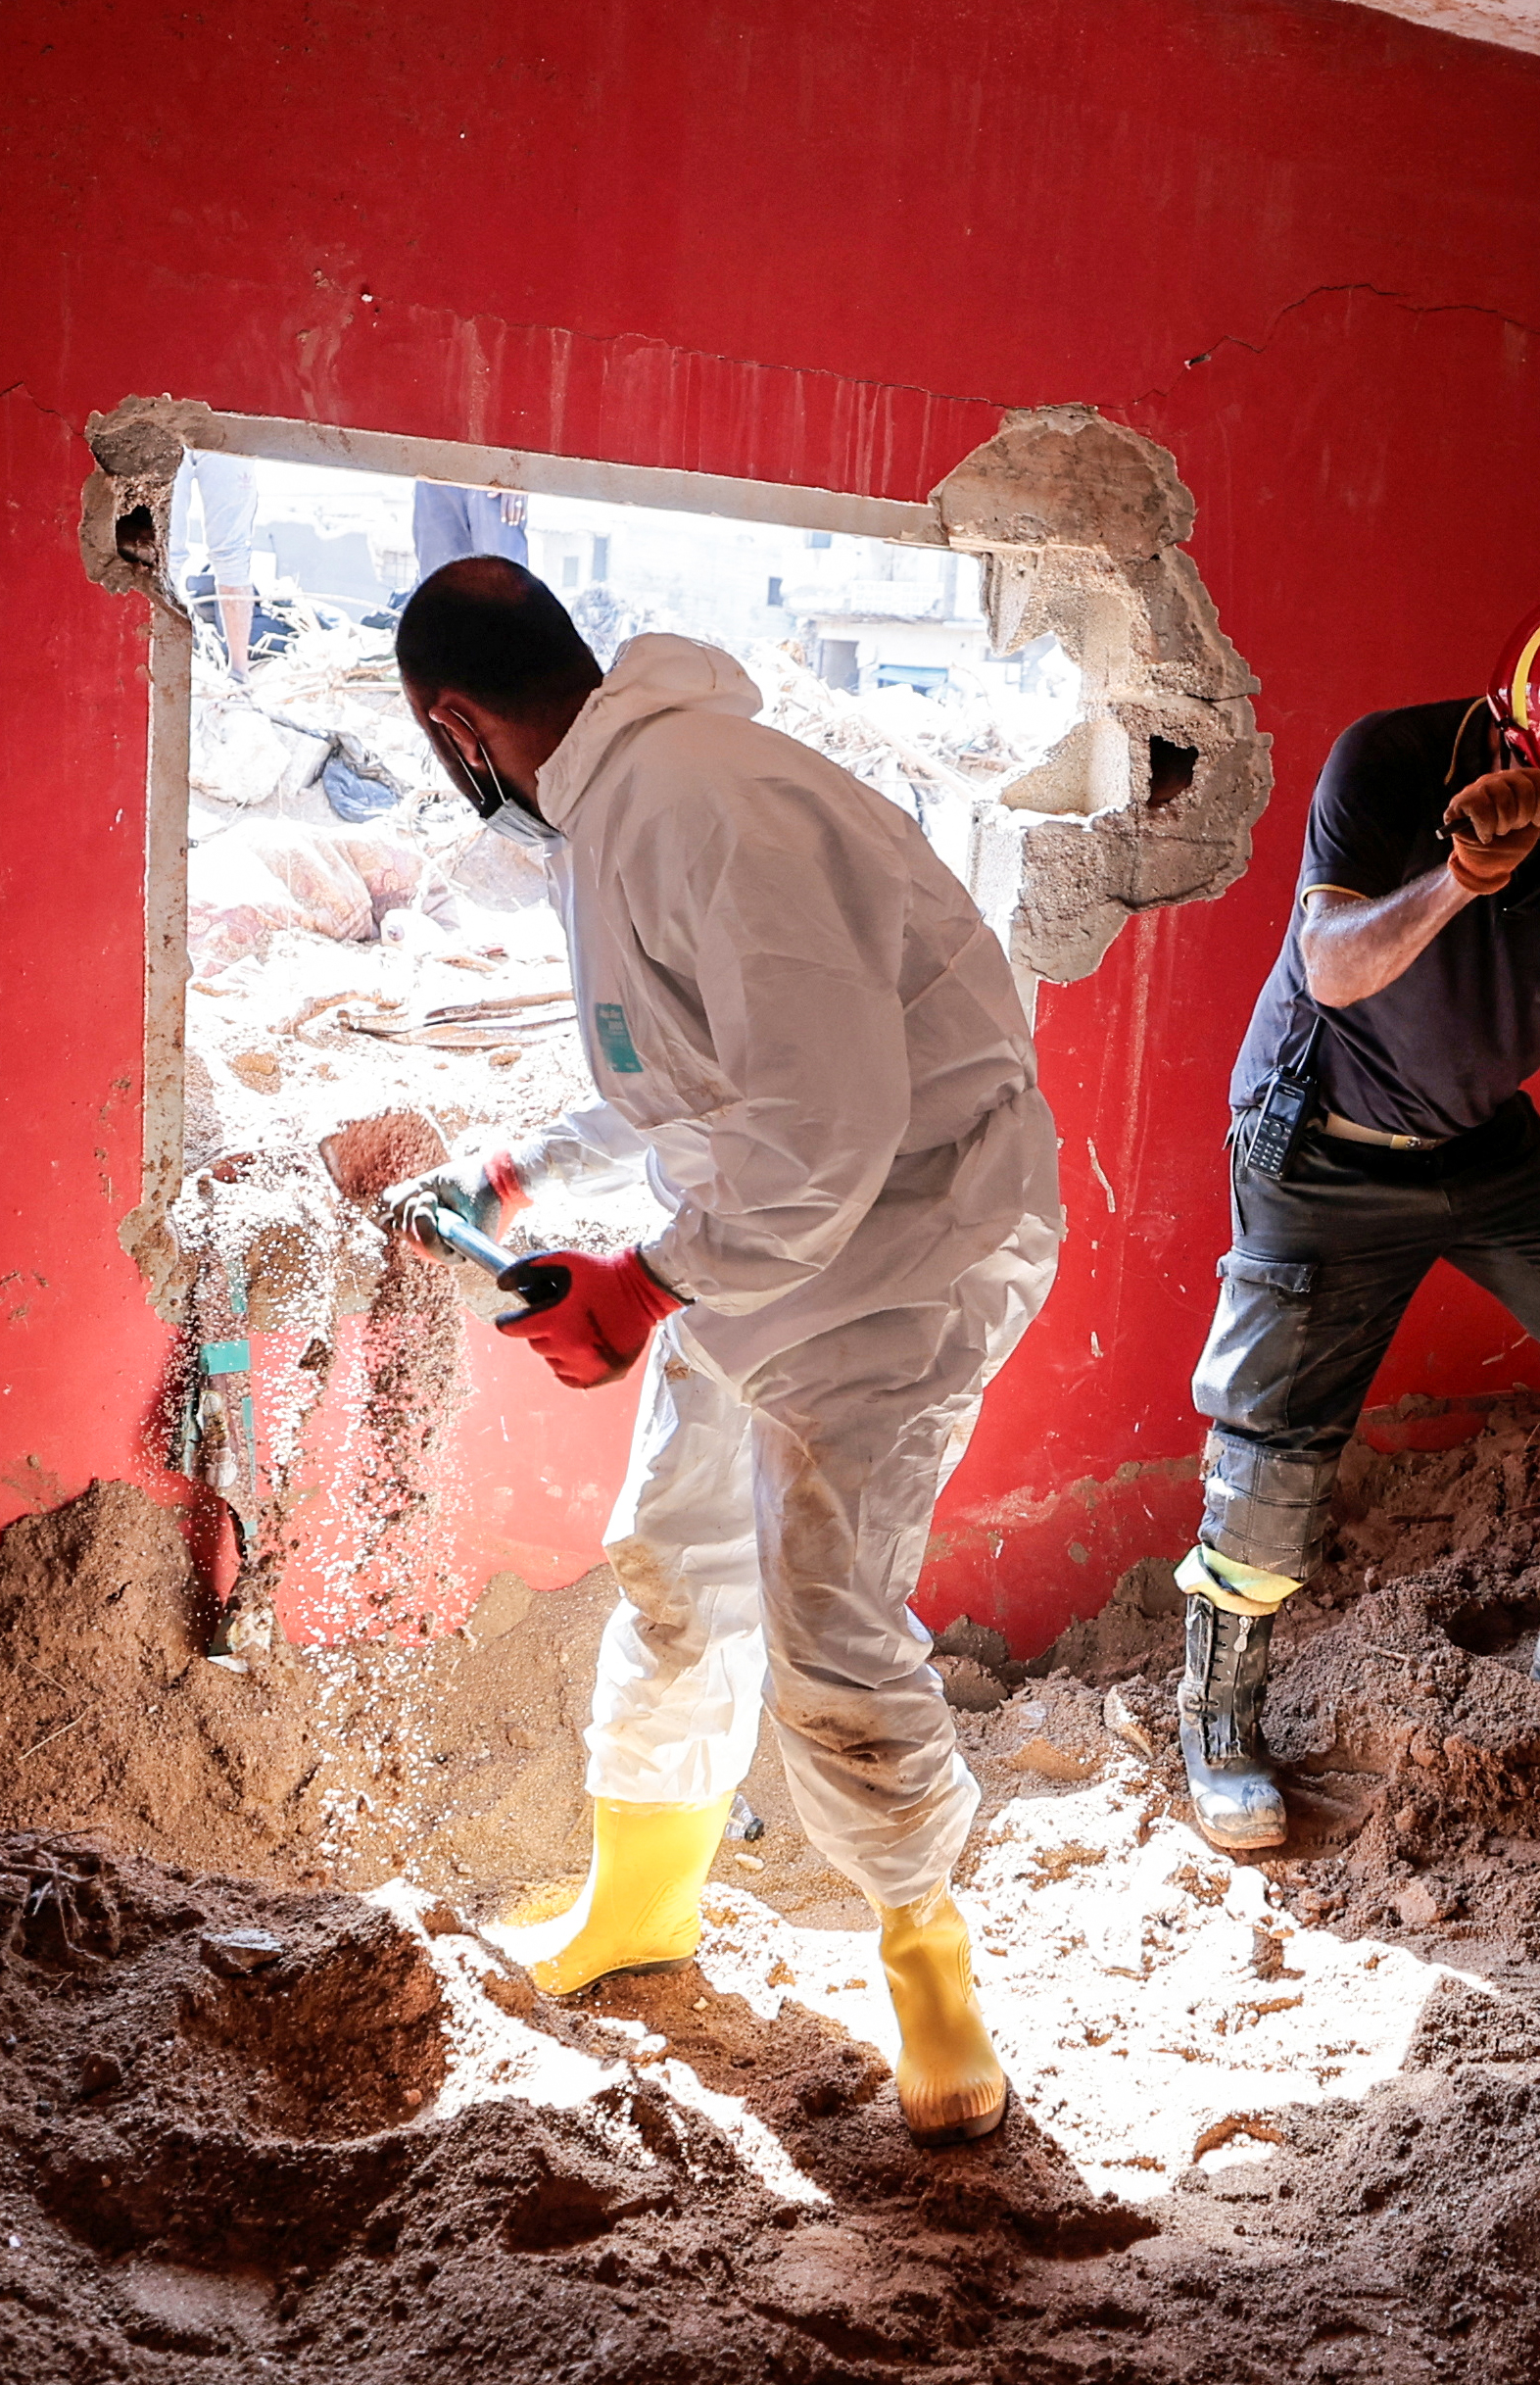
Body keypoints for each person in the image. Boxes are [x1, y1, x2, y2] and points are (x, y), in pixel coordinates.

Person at [383, 558, 1062, 2148]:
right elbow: (677, 1064)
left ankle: (924, 1959)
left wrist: (642, 1280)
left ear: (456, 723)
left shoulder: (702, 801)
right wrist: (520, 1173)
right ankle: (641, 1904)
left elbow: (825, 1122)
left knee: (826, 1615)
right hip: (753, 1242)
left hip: (904, 1251)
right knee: (673, 1560)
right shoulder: (616, 813)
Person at [1175, 598, 1540, 1851]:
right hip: (1321, 1138)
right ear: (1523, 750)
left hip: (1480, 1138)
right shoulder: (1389, 763)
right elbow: (1332, 962)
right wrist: (1461, 879)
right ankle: (1217, 1718)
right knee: (1277, 1436)